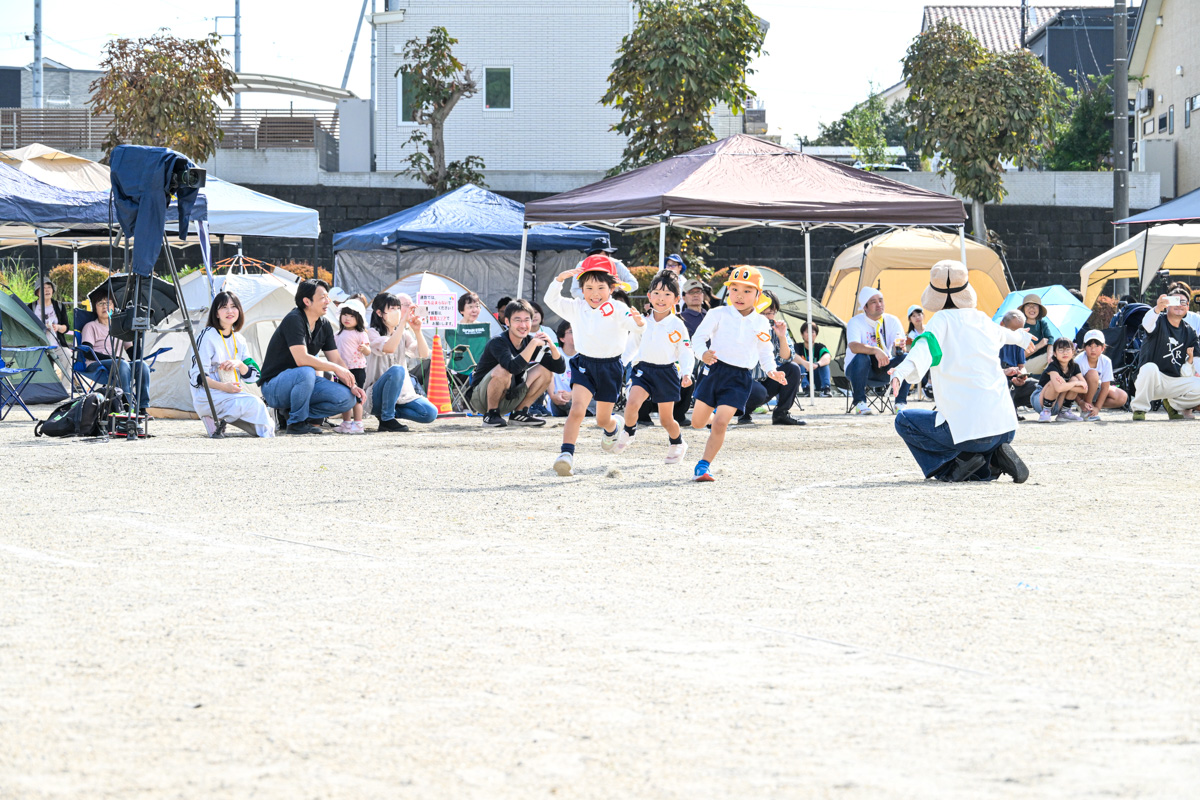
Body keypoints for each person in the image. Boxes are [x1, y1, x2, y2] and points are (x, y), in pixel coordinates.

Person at [890, 260, 1033, 483]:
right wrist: (1023, 338)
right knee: (976, 435)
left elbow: (923, 348)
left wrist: (900, 371)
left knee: (903, 420)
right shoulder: (983, 319)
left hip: (969, 434)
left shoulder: (940, 321)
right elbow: (1007, 335)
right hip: (1006, 427)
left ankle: (954, 466)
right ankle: (993, 459)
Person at [545, 254, 644, 476]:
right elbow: (551, 301)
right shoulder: (576, 307)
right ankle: (566, 454)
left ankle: (613, 427)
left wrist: (639, 323)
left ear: (612, 288)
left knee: (602, 419)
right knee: (577, 409)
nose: (594, 293)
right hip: (584, 364)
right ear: (581, 289)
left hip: (611, 368)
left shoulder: (618, 307)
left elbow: (636, 326)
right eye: (588, 288)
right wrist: (558, 280)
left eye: (601, 287)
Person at [689, 266, 786, 482]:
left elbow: (765, 351)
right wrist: (702, 353)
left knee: (721, 423)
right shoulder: (717, 313)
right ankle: (711, 419)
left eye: (747, 291)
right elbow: (698, 338)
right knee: (697, 422)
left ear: (758, 295)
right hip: (713, 371)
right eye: (734, 289)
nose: (739, 295)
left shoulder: (761, 322)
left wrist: (772, 370)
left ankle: (703, 466)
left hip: (740, 378)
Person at [259, 279, 362, 435]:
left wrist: (352, 384)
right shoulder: (294, 319)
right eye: (322, 298)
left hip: (305, 383)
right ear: (307, 301)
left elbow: (336, 359)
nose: (328, 301)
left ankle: (291, 414)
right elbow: (301, 359)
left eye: (327, 297)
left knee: (347, 398)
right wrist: (335, 368)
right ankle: (296, 423)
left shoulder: (324, 324)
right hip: (274, 386)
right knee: (306, 371)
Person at [615, 271, 695, 463]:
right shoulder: (641, 322)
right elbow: (631, 346)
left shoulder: (677, 325)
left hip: (667, 373)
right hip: (643, 370)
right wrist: (619, 364)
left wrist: (687, 373)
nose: (661, 298)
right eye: (657, 293)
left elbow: (685, 351)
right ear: (649, 296)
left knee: (666, 419)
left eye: (667, 294)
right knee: (631, 403)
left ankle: (678, 443)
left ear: (676, 299)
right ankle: (629, 431)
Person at [188, 291, 275, 438]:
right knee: (256, 404)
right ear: (216, 313)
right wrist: (224, 387)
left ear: (239, 310)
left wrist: (239, 364)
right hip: (209, 395)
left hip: (231, 395)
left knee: (263, 425)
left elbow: (254, 375)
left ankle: (218, 420)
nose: (230, 311)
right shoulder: (208, 335)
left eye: (233, 307)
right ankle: (212, 416)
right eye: (224, 307)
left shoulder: (239, 339)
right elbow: (198, 377)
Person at [467, 299, 563, 427]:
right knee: (503, 370)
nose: (523, 325)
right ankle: (491, 414)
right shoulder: (498, 342)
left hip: (510, 397)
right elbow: (512, 367)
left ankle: (520, 413)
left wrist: (552, 347)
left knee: (546, 371)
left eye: (526, 320)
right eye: (518, 320)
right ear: (507, 322)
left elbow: (558, 368)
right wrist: (533, 344)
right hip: (482, 399)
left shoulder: (529, 341)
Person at [363, 292, 440, 431]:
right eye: (392, 308)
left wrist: (417, 331)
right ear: (379, 313)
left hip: (402, 395)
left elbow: (423, 354)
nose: (397, 312)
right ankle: (386, 419)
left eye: (398, 308)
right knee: (397, 370)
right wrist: (403, 323)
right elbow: (389, 347)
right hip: (376, 396)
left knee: (430, 413)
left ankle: (390, 412)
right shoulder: (372, 333)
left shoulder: (404, 334)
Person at [1131, 293, 1200, 420]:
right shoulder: (1158, 320)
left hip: (1174, 382)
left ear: (1188, 307)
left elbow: (1197, 360)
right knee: (1149, 368)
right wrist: (1157, 308)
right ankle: (1139, 409)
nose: (1179, 305)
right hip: (1152, 380)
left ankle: (1173, 405)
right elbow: (1146, 324)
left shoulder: (1190, 331)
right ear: (1168, 304)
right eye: (1175, 301)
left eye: (1183, 302)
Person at [740, 289, 805, 425]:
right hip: (746, 382)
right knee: (758, 392)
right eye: (762, 312)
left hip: (768, 380)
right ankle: (743, 413)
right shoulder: (745, 326)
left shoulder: (777, 327)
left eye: (770, 313)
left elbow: (786, 358)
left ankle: (781, 413)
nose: (766, 317)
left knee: (793, 369)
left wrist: (782, 337)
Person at [80, 293, 152, 415]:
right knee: (121, 364)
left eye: (108, 303)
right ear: (95, 308)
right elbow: (87, 352)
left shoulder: (119, 328)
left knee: (142, 365)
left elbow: (133, 353)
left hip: (119, 364)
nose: (105, 307)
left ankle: (142, 407)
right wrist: (114, 358)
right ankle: (126, 405)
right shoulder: (91, 326)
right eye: (100, 304)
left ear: (114, 307)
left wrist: (137, 336)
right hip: (96, 364)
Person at [845, 286, 908, 414]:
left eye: (881, 300)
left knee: (906, 358)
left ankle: (900, 403)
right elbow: (854, 346)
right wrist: (875, 350)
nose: (879, 304)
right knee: (862, 356)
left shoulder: (892, 320)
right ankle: (860, 403)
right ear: (865, 307)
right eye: (873, 302)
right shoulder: (855, 322)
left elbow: (899, 350)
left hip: (884, 368)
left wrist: (900, 348)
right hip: (858, 370)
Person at [334, 298, 371, 434]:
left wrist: (364, 349)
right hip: (342, 370)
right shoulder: (337, 334)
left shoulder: (361, 334)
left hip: (357, 369)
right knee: (345, 397)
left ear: (359, 319)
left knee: (357, 398)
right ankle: (346, 423)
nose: (347, 318)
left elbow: (368, 351)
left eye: (351, 316)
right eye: (345, 315)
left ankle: (358, 423)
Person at [1075, 329, 1128, 420]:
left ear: (1103, 348)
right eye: (1089, 346)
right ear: (1084, 347)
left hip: (1096, 388)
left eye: (1096, 346)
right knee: (1093, 374)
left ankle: (1090, 407)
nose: (1093, 349)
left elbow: (1105, 387)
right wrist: (1080, 402)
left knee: (1122, 397)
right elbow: (1072, 385)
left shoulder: (1106, 361)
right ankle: (1086, 411)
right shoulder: (1078, 361)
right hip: (1080, 392)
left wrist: (1097, 407)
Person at [1033, 338, 1088, 422]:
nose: (1065, 353)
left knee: (1074, 379)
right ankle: (1046, 411)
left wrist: (1067, 385)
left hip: (1058, 400)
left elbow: (1084, 389)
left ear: (1073, 352)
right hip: (1040, 400)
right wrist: (1075, 383)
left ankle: (1064, 412)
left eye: (1068, 350)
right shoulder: (1053, 366)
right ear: (1055, 353)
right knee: (1054, 382)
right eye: (1061, 350)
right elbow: (1058, 388)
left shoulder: (1074, 366)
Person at [570, 238, 638, 300]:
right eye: (598, 256)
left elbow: (634, 284)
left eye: (605, 256)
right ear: (592, 255)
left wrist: (619, 288)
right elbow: (575, 290)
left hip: (612, 304)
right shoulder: (582, 265)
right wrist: (591, 297)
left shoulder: (616, 264)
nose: (601, 261)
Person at [999, 310, 1036, 412]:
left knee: (1038, 386)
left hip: (1015, 380)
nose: (1015, 335)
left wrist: (1022, 376)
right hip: (999, 380)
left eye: (1019, 331)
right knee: (1006, 383)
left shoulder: (1019, 341)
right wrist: (1004, 372)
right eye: (1012, 331)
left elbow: (1021, 365)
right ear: (1002, 324)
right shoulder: (993, 340)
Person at [793, 321, 832, 397]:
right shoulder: (797, 346)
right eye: (807, 332)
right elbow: (792, 356)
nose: (810, 334)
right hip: (802, 374)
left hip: (816, 374)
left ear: (816, 334)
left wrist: (817, 364)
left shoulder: (820, 347)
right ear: (802, 334)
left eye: (813, 332)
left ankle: (826, 389)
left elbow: (827, 357)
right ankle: (806, 388)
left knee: (824, 364)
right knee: (799, 364)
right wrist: (805, 363)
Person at [29, 280, 69, 346]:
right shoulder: (31, 307)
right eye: (43, 288)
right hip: (37, 346)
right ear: (37, 292)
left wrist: (58, 327)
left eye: (49, 287)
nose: (47, 290)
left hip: (57, 346)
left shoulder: (59, 306)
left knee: (67, 353)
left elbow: (66, 327)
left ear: (52, 290)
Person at [906, 304, 934, 400]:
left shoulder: (929, 330)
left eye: (919, 314)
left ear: (923, 315)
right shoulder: (910, 336)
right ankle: (929, 385)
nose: (917, 317)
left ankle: (930, 385)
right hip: (919, 362)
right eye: (914, 316)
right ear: (910, 319)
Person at [1020, 294, 1053, 375]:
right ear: (1023, 309)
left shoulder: (1042, 323)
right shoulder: (1020, 327)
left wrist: (1050, 357)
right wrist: (1038, 345)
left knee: (1060, 351)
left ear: (1039, 309)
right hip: (1024, 365)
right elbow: (1019, 356)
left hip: (1043, 361)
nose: (1032, 308)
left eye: (1035, 305)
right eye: (1028, 305)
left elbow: (1050, 340)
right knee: (1059, 355)